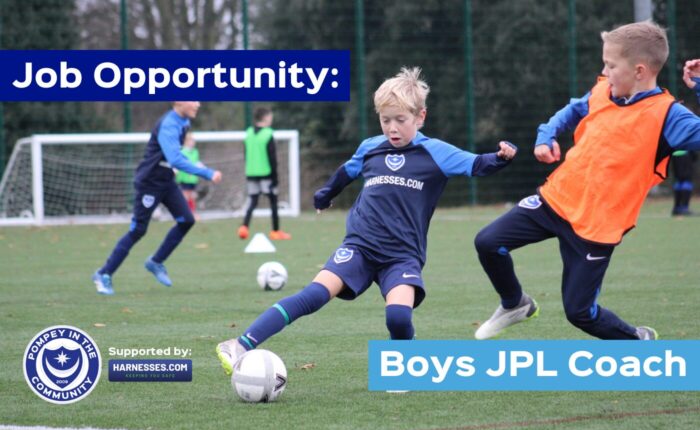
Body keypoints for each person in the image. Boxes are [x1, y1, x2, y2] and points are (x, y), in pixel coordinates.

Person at [217, 67, 518, 375]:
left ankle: (401, 365)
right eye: (385, 120)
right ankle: (240, 344)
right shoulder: (370, 147)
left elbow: (477, 165)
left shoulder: (436, 153)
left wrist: (502, 157)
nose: (392, 128)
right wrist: (325, 194)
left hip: (402, 255)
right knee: (314, 294)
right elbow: (346, 172)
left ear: (420, 117)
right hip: (360, 246)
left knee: (398, 318)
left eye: (400, 120)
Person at [473, 22, 700, 341]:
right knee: (487, 242)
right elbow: (571, 110)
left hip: (596, 229)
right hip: (554, 201)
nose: (604, 72)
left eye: (610, 65)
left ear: (638, 70)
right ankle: (515, 304)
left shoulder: (669, 116)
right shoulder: (603, 91)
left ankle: (639, 341)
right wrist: (545, 135)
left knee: (580, 313)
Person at [92, 102, 222, 295]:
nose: (198, 103)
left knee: (187, 220)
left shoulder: (184, 121)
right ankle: (103, 274)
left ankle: (156, 261)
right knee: (138, 230)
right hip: (149, 183)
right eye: (192, 99)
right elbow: (175, 159)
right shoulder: (169, 124)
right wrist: (206, 172)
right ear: (178, 101)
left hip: (166, 181)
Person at [237, 107, 291, 241]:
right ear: (266, 117)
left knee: (253, 201)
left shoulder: (249, 133)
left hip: (251, 172)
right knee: (273, 201)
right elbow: (272, 157)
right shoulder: (268, 134)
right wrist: (275, 177)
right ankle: (275, 231)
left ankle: (244, 228)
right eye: (270, 116)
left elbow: (245, 153)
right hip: (266, 173)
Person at [175, 131, 203, 219]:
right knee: (185, 196)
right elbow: (179, 163)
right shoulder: (182, 152)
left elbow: (196, 162)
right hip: (184, 178)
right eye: (191, 140)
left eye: (193, 140)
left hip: (193, 178)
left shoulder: (195, 152)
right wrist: (175, 170)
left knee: (192, 196)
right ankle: (183, 214)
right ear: (186, 141)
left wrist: (202, 168)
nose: (193, 142)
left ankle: (192, 213)